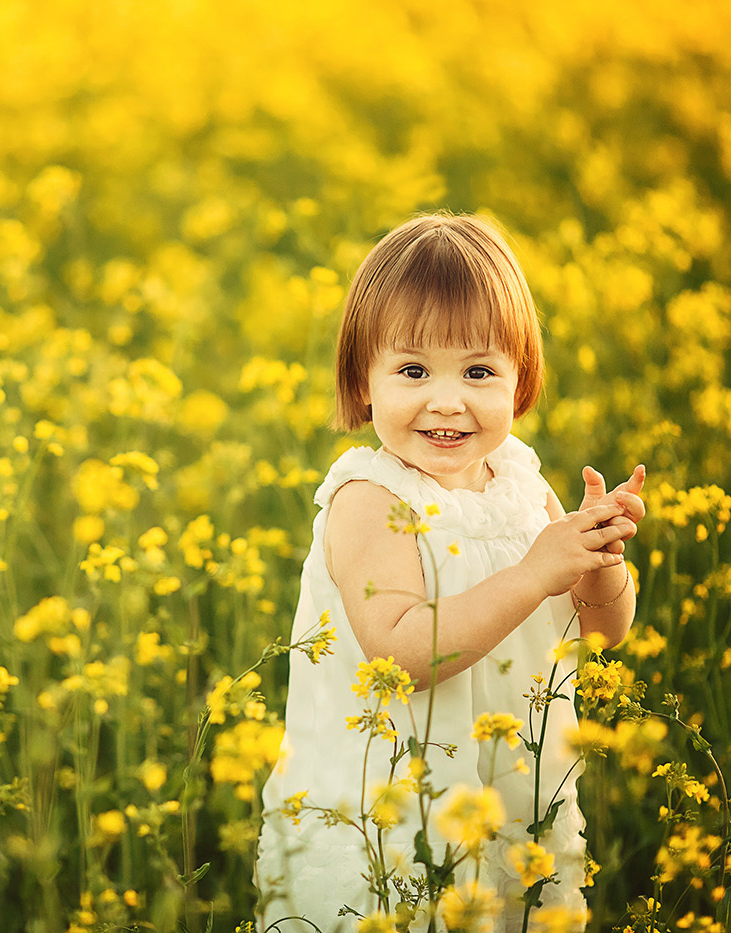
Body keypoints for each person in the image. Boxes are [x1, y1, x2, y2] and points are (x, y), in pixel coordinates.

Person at [255, 212, 645, 932]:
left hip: (510, 802)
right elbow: (400, 651)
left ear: (519, 379)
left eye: (478, 370)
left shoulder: (521, 480)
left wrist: (597, 560)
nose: (446, 399)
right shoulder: (370, 499)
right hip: (394, 820)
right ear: (362, 381)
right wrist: (536, 571)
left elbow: (602, 630)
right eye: (412, 370)